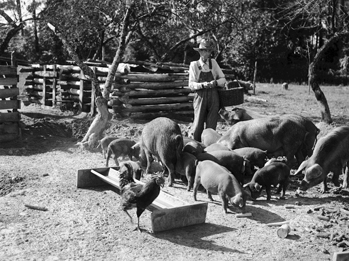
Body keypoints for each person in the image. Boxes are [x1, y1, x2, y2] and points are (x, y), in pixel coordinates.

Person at [188, 39, 226, 142]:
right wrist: (203, 85)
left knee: (212, 123)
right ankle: (196, 144)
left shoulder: (213, 63)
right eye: (205, 50)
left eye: (209, 51)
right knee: (198, 124)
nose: (207, 53)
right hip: (200, 96)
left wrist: (216, 83)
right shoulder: (194, 65)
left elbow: (223, 79)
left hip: (213, 95)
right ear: (200, 52)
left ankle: (209, 145)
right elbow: (191, 84)